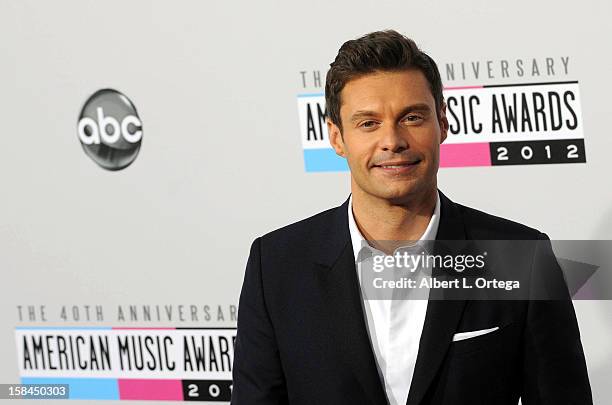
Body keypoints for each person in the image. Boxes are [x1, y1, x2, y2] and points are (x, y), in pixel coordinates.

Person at [231, 30, 592, 405]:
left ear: (443, 123)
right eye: (368, 123)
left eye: (412, 117)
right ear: (337, 138)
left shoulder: (521, 257)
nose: (393, 140)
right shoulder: (276, 265)